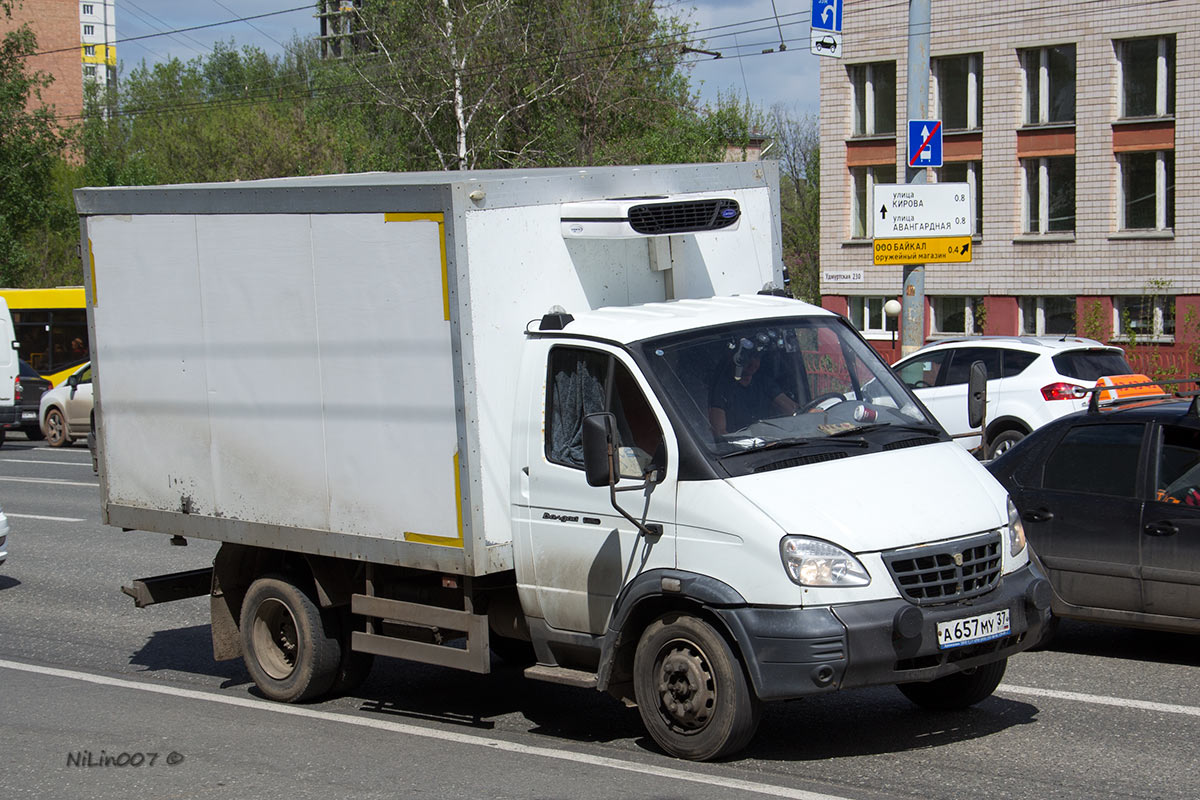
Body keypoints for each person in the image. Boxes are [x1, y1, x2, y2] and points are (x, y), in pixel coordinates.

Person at [708, 347, 798, 435]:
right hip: (742, 448)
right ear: (737, 359)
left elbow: (792, 409)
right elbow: (720, 432)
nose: (753, 363)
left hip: (773, 442)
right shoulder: (722, 389)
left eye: (757, 358)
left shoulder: (763, 382)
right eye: (748, 358)